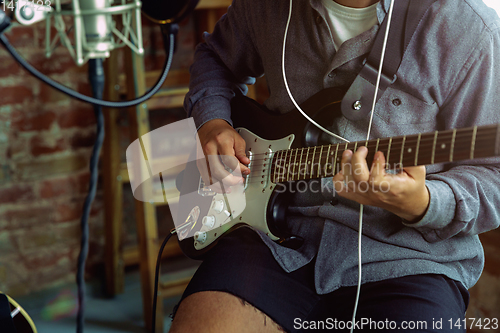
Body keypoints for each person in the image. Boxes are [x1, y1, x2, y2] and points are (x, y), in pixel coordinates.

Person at [170, 0, 500, 332]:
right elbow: (215, 58)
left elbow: (494, 174)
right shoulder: (265, 6)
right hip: (275, 240)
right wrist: (212, 122)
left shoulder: (469, 27)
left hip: (410, 258)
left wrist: (423, 202)